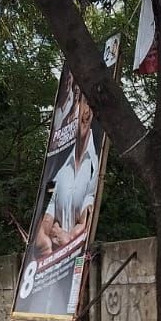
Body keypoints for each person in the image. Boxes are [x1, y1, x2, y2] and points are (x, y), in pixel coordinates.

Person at [34, 97, 100, 257]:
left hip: (77, 260)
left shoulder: (95, 165)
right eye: (82, 104)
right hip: (52, 263)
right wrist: (44, 233)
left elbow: (86, 219)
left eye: (90, 105)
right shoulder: (57, 164)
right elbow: (48, 207)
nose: (86, 112)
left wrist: (69, 237)